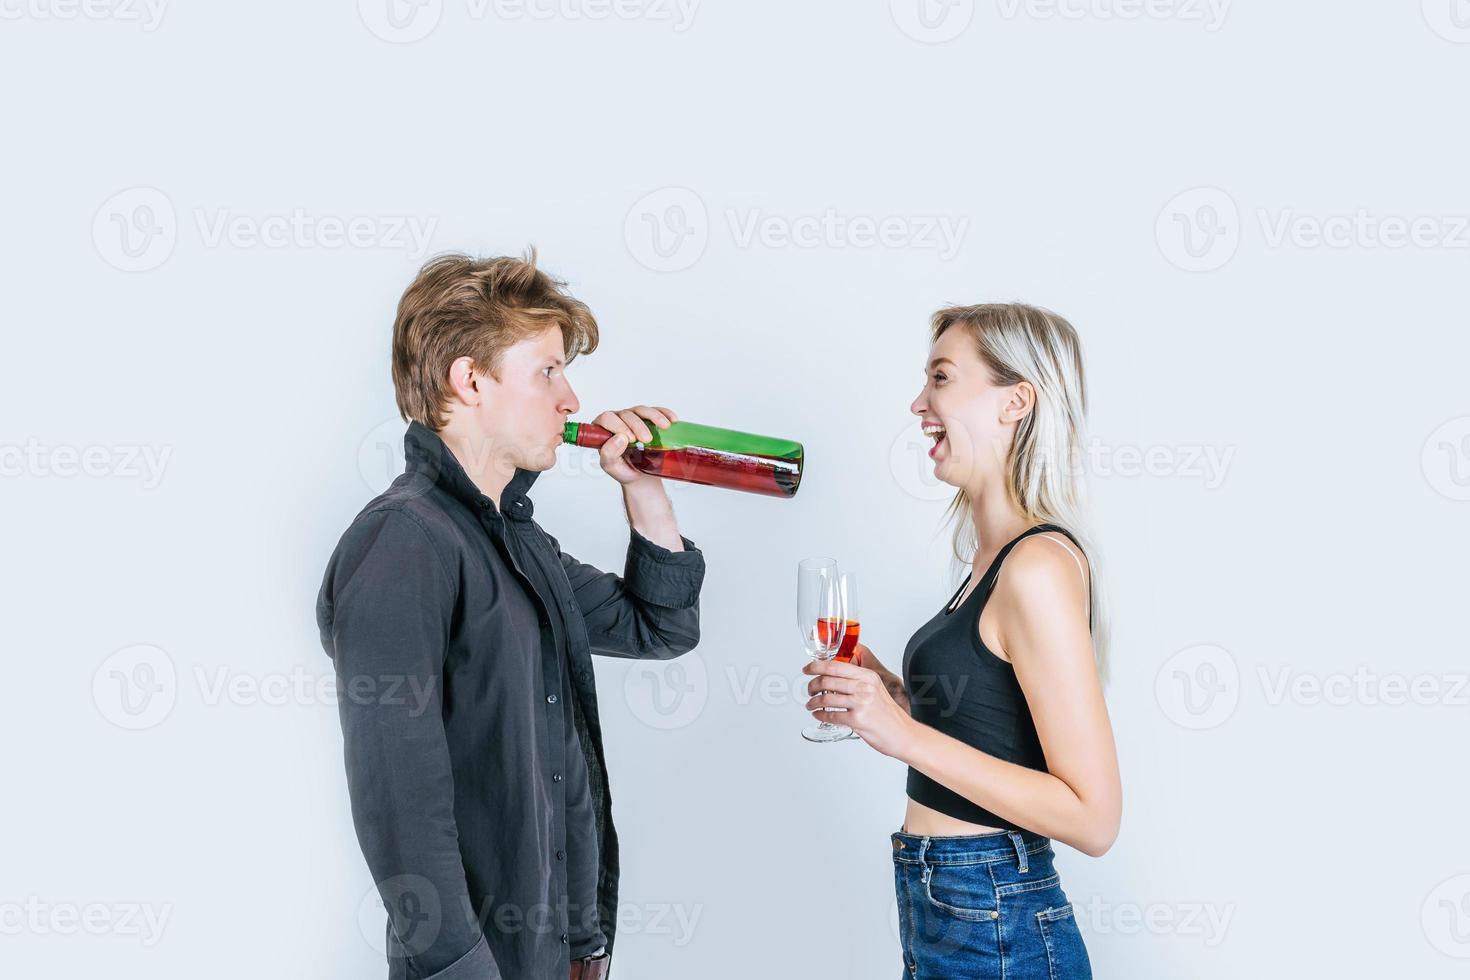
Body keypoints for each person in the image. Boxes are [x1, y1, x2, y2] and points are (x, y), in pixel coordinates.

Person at [316, 251, 706, 980]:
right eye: (548, 370)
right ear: (469, 381)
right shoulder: (405, 541)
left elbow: (661, 629)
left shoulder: (518, 541)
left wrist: (644, 489)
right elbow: (399, 799)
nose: (571, 399)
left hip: (564, 958)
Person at [804, 303, 1122, 979]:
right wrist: (890, 695)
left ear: (1017, 401)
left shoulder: (1036, 566)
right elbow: (992, 735)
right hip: (950, 907)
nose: (919, 402)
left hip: (995, 917)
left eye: (942, 378)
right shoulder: (989, 557)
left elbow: (1094, 818)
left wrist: (903, 734)